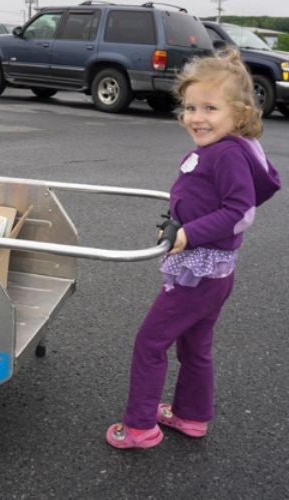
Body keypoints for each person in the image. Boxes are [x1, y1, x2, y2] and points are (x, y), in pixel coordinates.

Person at [106, 49, 281, 449]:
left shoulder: (228, 153)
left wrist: (188, 234)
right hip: (213, 270)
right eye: (190, 107)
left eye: (210, 108)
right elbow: (209, 196)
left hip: (199, 270)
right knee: (195, 344)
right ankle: (191, 415)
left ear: (238, 114)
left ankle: (139, 427)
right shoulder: (225, 147)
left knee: (150, 342)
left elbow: (241, 212)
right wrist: (181, 217)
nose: (196, 117)